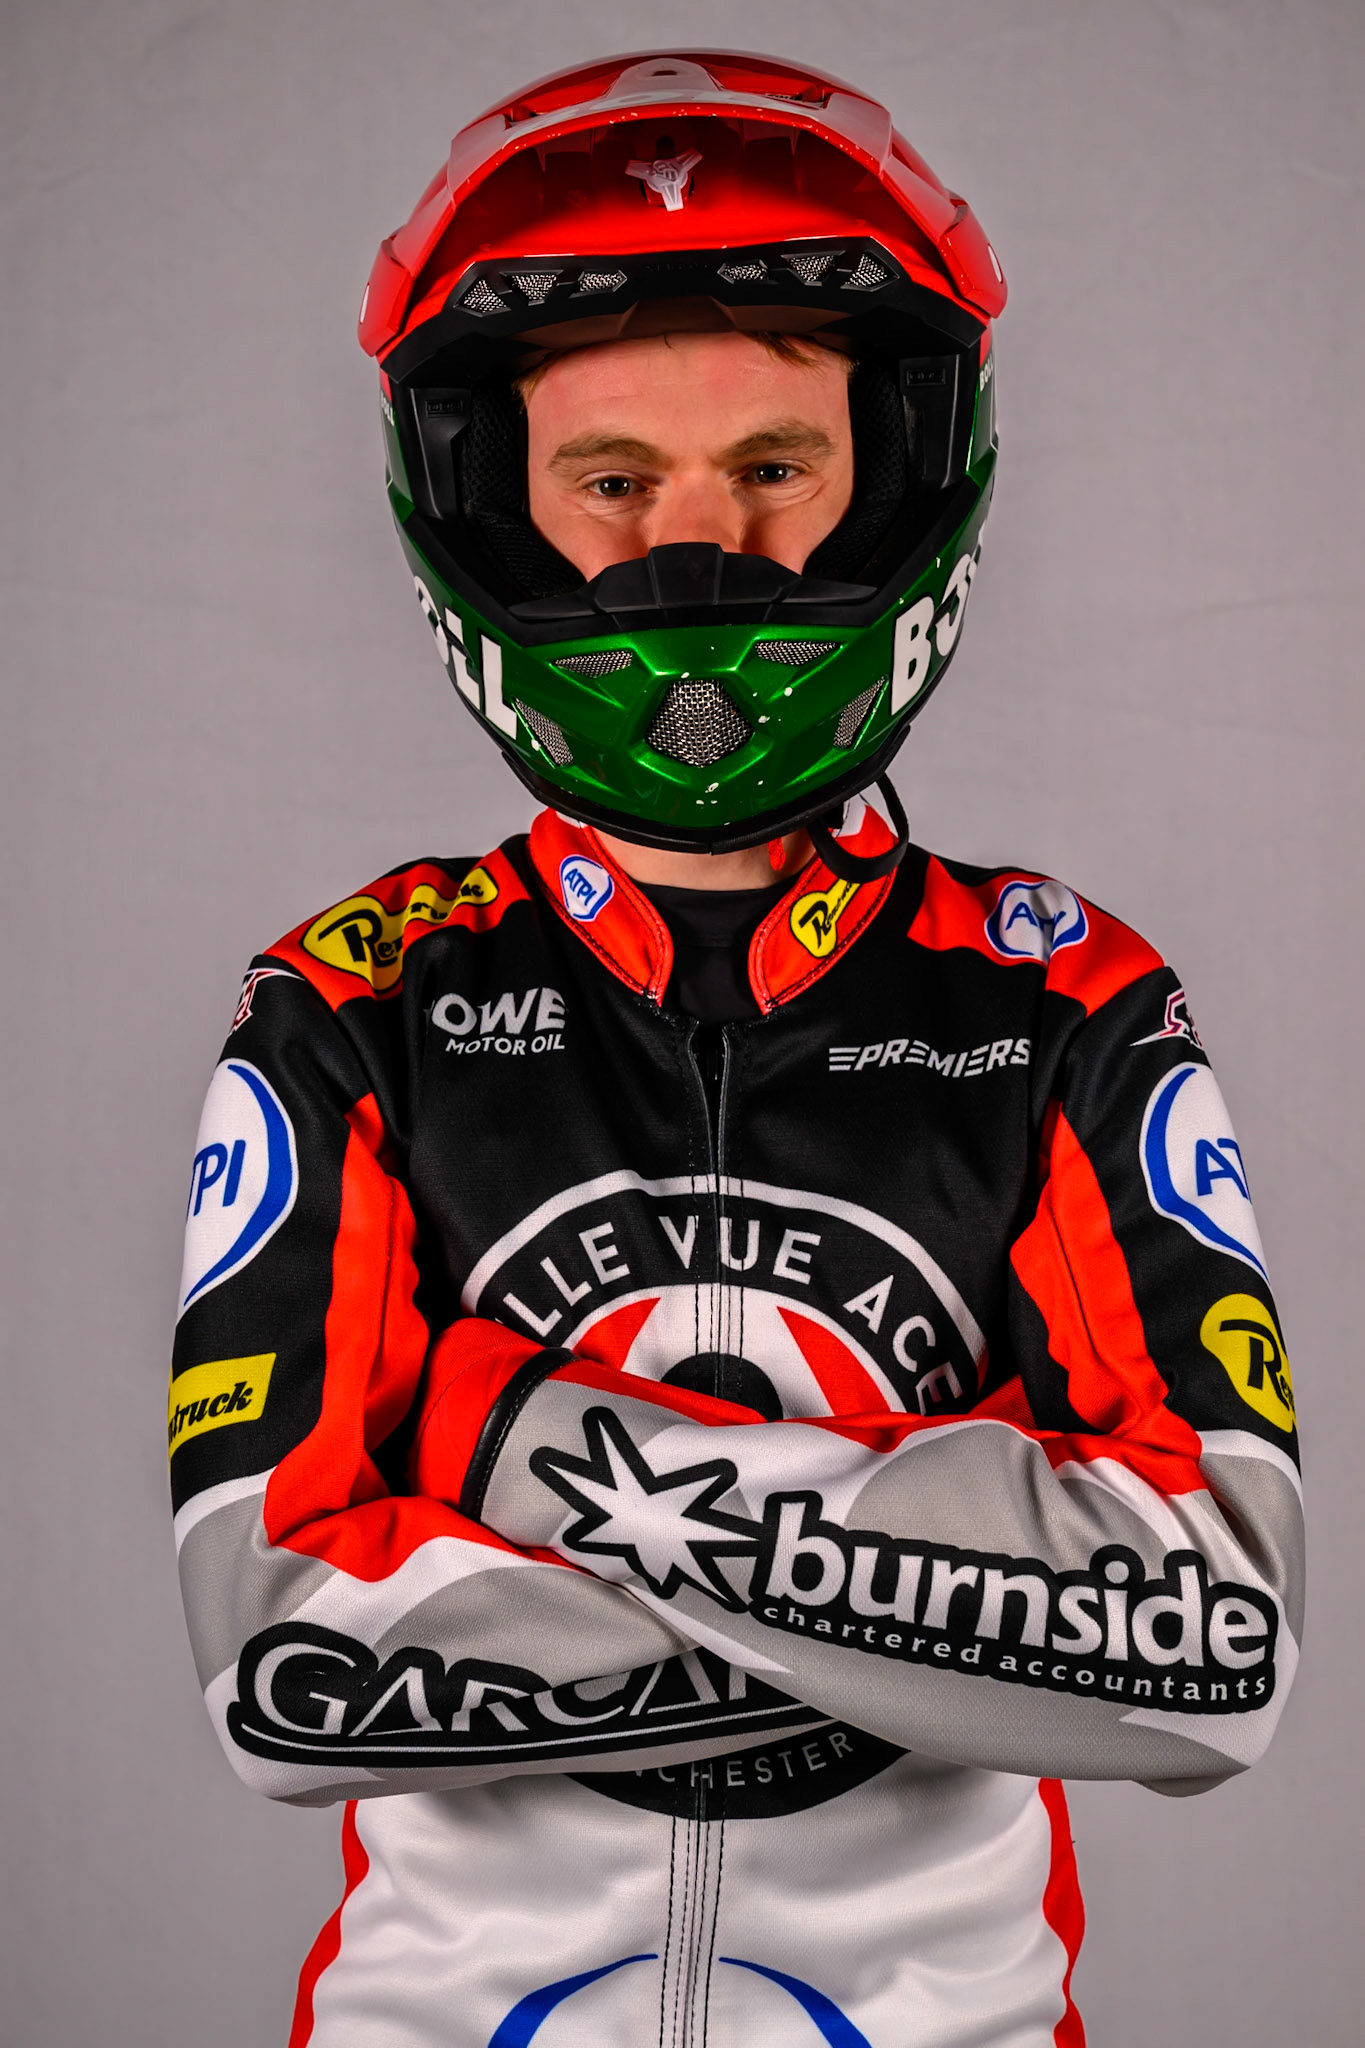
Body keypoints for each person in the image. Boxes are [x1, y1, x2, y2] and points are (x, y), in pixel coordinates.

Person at [170, 50, 1303, 2048]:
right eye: (611, 482)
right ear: (491, 503)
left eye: (774, 467)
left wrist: (520, 1448)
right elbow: (284, 1666)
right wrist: (954, 1611)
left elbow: (1210, 1638)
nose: (700, 554)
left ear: (891, 470)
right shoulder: (344, 1010)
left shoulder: (1064, 1002)